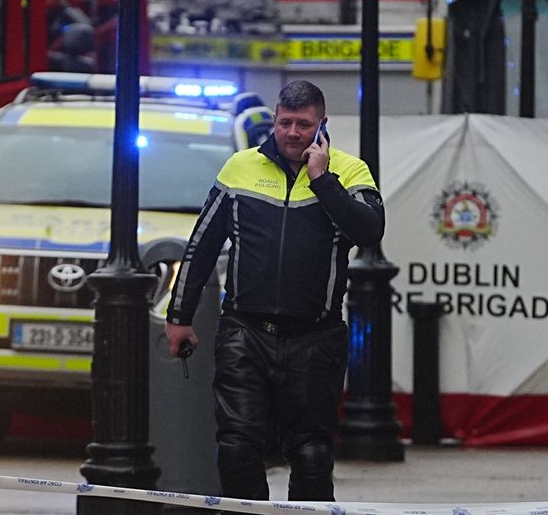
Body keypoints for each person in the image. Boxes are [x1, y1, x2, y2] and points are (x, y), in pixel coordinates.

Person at [164, 79, 384, 502]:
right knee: (237, 446)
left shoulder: (350, 171)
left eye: (304, 124)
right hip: (245, 332)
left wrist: (323, 180)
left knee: (311, 454)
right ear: (274, 120)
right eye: (285, 122)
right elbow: (202, 245)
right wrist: (179, 317)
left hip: (315, 337)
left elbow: (369, 232)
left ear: (322, 126)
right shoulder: (239, 168)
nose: (293, 133)